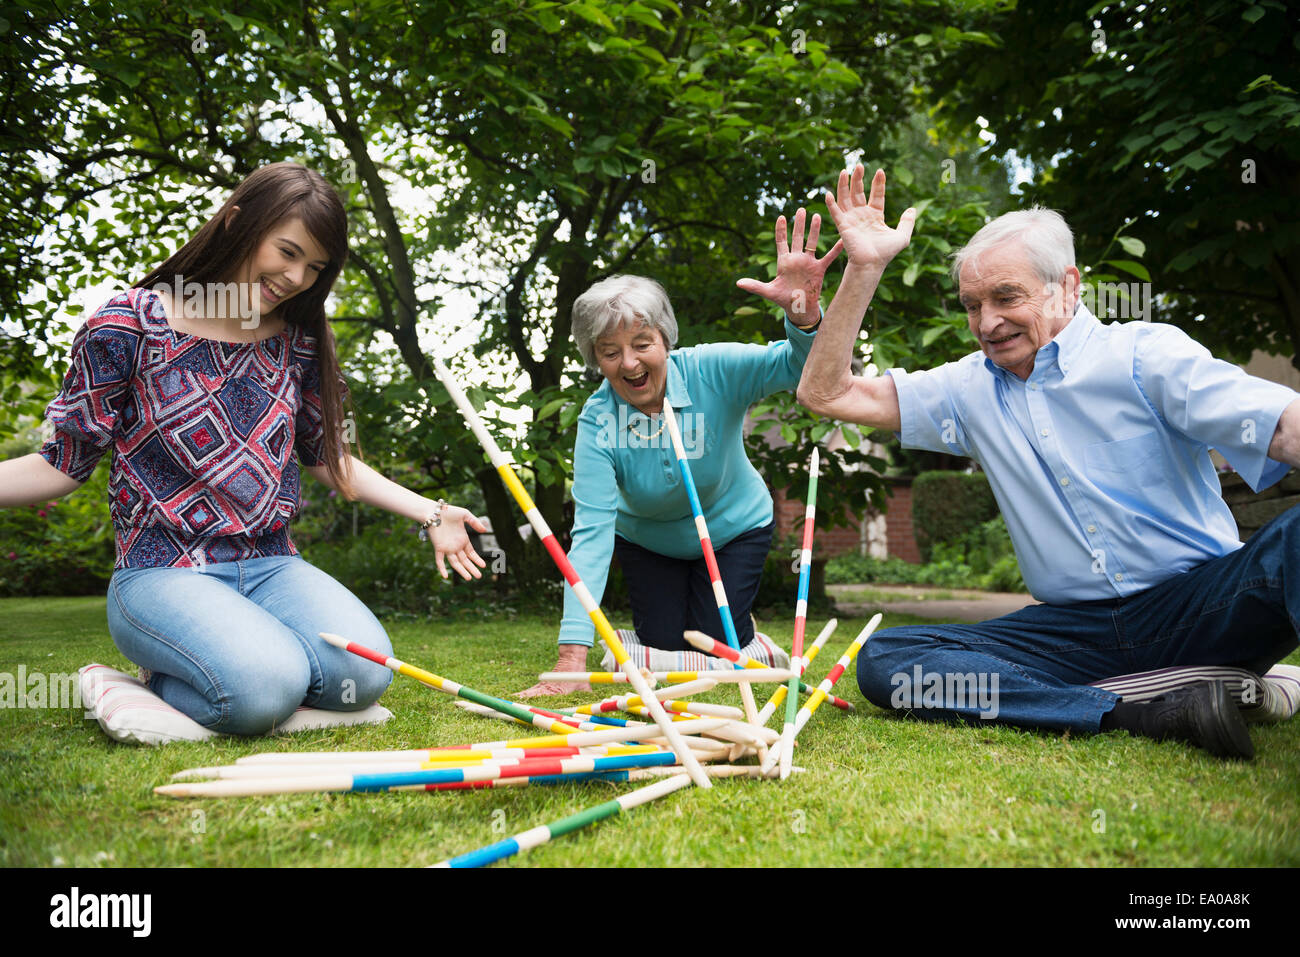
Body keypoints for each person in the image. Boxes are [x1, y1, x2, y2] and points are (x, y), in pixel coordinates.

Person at [798, 164, 1300, 759]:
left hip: (1202, 607)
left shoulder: (1145, 355)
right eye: (971, 305)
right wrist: (865, 268)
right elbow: (826, 394)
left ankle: (1207, 683)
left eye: (1005, 297)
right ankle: (1144, 711)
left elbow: (1283, 426)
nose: (986, 323)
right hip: (1074, 634)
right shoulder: (965, 388)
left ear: (1067, 286)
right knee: (890, 662)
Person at [0, 162, 487, 735]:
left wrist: (431, 512)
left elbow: (329, 458)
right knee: (262, 691)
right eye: (287, 252)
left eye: (315, 267)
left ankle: (242, 664)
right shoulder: (127, 325)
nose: (297, 277)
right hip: (160, 571)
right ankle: (142, 680)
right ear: (236, 223)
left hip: (271, 563)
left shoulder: (300, 342)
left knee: (361, 674)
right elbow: (61, 464)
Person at [517, 210, 841, 697]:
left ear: (665, 339)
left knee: (714, 644)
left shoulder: (714, 369)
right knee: (666, 643)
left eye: (642, 343)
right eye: (609, 352)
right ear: (595, 359)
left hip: (734, 527)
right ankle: (675, 623)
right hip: (648, 541)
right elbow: (591, 536)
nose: (629, 362)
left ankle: (740, 626)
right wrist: (571, 658)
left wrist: (802, 318)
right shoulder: (597, 421)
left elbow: (798, 367)